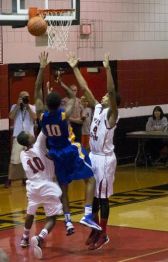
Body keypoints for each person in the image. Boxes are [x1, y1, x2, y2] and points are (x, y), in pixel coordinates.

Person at [35, 51, 101, 236]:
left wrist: (41, 68)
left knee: (63, 188)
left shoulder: (41, 116)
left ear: (46, 104)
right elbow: (73, 97)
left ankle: (68, 221)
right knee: (91, 178)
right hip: (69, 149)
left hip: (54, 153)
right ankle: (87, 213)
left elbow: (36, 87)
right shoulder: (64, 115)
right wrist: (63, 84)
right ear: (59, 105)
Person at [67, 52, 120, 250]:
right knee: (94, 197)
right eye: (104, 95)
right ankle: (96, 229)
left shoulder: (112, 114)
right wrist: (74, 68)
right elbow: (85, 87)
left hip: (105, 160)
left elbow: (112, 91)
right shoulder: (97, 107)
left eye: (107, 96)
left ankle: (104, 233)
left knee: (103, 198)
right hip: (93, 156)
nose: (104, 95)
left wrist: (108, 69)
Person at [17, 131, 63, 259]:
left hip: (32, 186)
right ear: (29, 140)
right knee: (52, 218)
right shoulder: (39, 144)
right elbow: (45, 129)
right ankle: (40, 237)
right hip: (47, 186)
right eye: (29, 134)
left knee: (30, 212)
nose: (32, 133)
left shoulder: (22, 154)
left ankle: (25, 237)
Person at [5, 91, 37, 188]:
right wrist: (17, 106)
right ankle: (9, 179)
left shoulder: (32, 107)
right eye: (23, 97)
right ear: (19, 98)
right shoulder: (15, 106)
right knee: (14, 159)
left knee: (29, 159)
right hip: (18, 136)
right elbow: (10, 116)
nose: (24, 99)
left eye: (26, 97)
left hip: (29, 137)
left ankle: (25, 179)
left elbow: (35, 117)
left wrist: (27, 107)